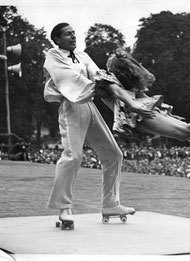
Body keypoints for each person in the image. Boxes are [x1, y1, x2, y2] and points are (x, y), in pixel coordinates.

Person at [43, 23, 153, 227]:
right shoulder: (54, 54)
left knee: (113, 154)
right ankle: (64, 207)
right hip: (71, 106)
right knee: (73, 156)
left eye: (74, 33)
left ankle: (110, 203)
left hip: (88, 106)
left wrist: (114, 87)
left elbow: (98, 74)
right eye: (68, 34)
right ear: (57, 39)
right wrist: (99, 87)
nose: (73, 36)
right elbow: (68, 79)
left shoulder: (82, 56)